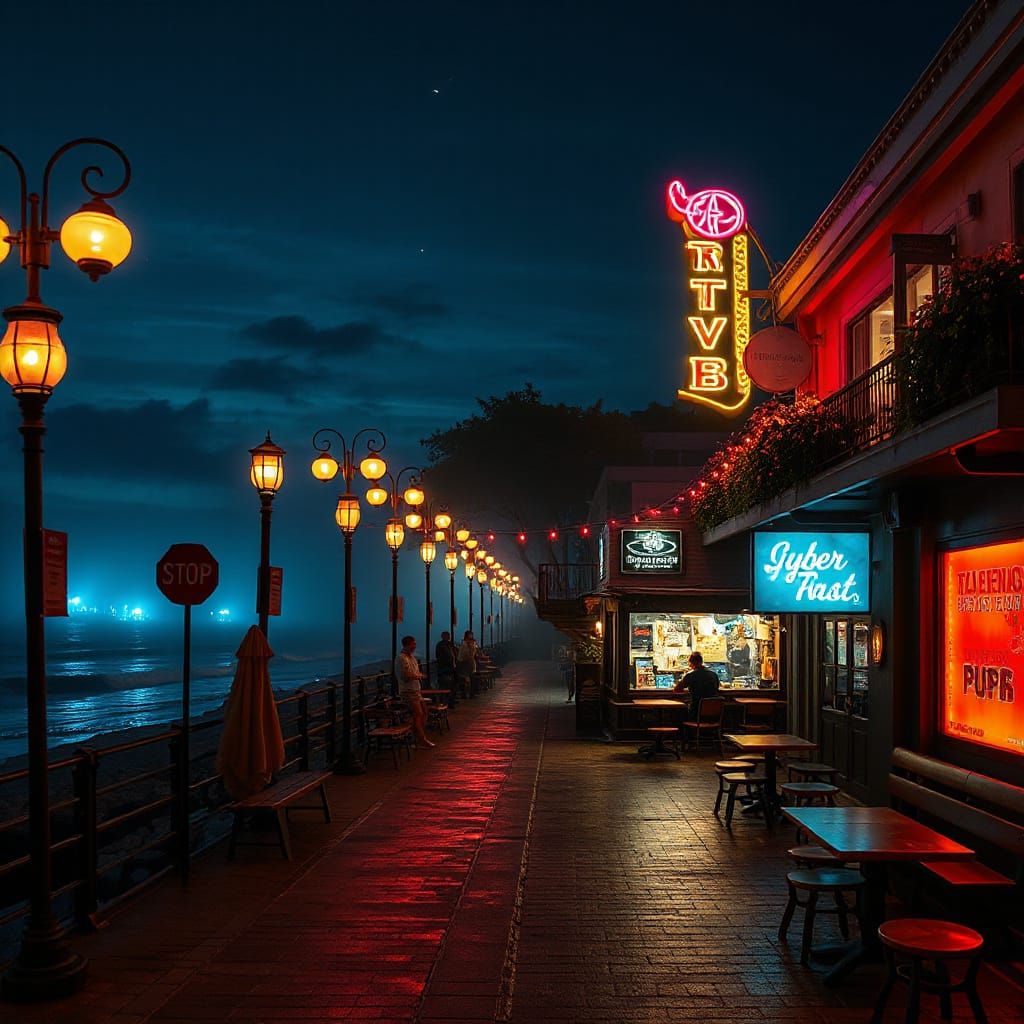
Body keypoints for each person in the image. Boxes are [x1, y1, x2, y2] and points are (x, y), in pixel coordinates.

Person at [394, 635, 434, 748]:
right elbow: (405, 676)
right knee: (418, 713)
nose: (415, 646)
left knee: (424, 712)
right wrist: (418, 675)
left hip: (416, 690)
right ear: (407, 645)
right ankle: (421, 739)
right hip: (408, 691)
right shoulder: (401, 658)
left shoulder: (411, 658)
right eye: (413, 644)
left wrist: (417, 675)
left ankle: (415, 735)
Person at [674, 651, 720, 721]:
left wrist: (684, 676)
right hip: (713, 716)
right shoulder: (714, 675)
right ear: (702, 661)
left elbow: (677, 689)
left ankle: (684, 731)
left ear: (691, 664)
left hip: (695, 713)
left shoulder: (690, 675)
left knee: (678, 711)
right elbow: (717, 688)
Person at [435, 631, 458, 705]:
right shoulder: (441, 645)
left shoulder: (450, 645)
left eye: (448, 636)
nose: (448, 637)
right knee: (446, 685)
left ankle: (451, 700)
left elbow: (455, 653)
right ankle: (445, 701)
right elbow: (442, 656)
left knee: (452, 685)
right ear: (442, 636)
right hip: (444, 669)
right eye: (446, 636)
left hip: (451, 668)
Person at [456, 630, 477, 697]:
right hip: (465, 663)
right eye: (469, 635)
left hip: (470, 663)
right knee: (466, 678)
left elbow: (473, 653)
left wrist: (472, 646)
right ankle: (465, 692)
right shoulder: (464, 644)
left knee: (471, 677)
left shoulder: (472, 644)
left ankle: (471, 692)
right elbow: (463, 655)